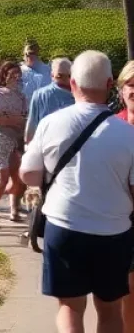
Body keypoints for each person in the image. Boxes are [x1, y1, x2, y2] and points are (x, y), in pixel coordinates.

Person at [20, 50, 134, 333]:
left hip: (64, 227)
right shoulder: (128, 134)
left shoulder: (51, 123)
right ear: (110, 84)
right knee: (110, 310)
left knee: (70, 308)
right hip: (114, 232)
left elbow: (28, 173)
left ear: (72, 83)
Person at [0, 60, 28, 226]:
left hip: (17, 139)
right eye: (12, 74)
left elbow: (25, 118)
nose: (16, 77)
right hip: (1, 139)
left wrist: (14, 119)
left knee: (18, 178)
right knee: (2, 179)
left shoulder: (21, 96)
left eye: (18, 74)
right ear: (4, 76)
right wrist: (15, 120)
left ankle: (13, 210)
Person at [114, 62, 134, 333]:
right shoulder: (111, 127)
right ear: (121, 91)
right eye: (131, 84)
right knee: (127, 289)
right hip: (120, 218)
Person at [26, 58, 75, 143]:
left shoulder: (79, 95)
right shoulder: (39, 95)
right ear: (52, 75)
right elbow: (32, 126)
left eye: (68, 76)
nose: (65, 79)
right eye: (60, 76)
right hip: (48, 143)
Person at [21, 40, 52, 105]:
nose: (29, 56)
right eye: (26, 54)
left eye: (32, 53)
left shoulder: (47, 70)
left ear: (37, 54)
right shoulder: (19, 71)